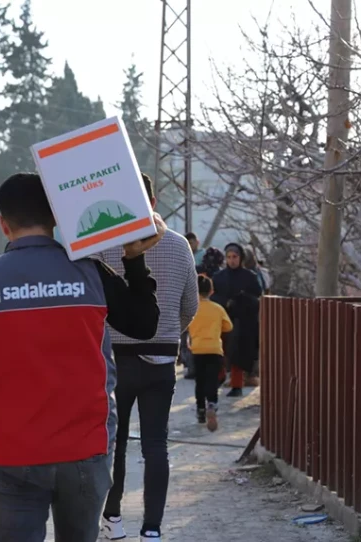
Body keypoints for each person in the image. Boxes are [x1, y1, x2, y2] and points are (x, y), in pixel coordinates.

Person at [0, 172, 164, 542]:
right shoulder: (90, 273)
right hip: (86, 452)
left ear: (3, 224)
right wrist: (134, 259)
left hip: (12, 455)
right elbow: (144, 324)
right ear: (55, 218)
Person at [100, 174, 198, 542]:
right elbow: (190, 304)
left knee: (116, 442)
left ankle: (113, 521)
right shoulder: (178, 246)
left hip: (114, 359)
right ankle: (152, 529)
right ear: (154, 203)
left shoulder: (103, 246)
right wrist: (169, 331)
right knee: (156, 444)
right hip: (161, 360)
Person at [211, 243, 262, 397]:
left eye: (235, 257)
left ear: (241, 258)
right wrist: (225, 302)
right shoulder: (218, 277)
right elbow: (213, 297)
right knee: (220, 351)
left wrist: (242, 298)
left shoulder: (250, 277)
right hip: (222, 320)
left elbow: (257, 298)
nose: (232, 260)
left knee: (238, 355)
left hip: (242, 321)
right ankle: (219, 378)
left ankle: (237, 385)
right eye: (229, 257)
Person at [188, 275, 233, 431]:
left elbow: (185, 325)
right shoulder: (218, 308)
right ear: (212, 291)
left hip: (197, 349)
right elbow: (229, 327)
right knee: (212, 379)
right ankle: (212, 404)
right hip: (214, 349)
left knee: (200, 380)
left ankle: (200, 409)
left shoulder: (192, 308)